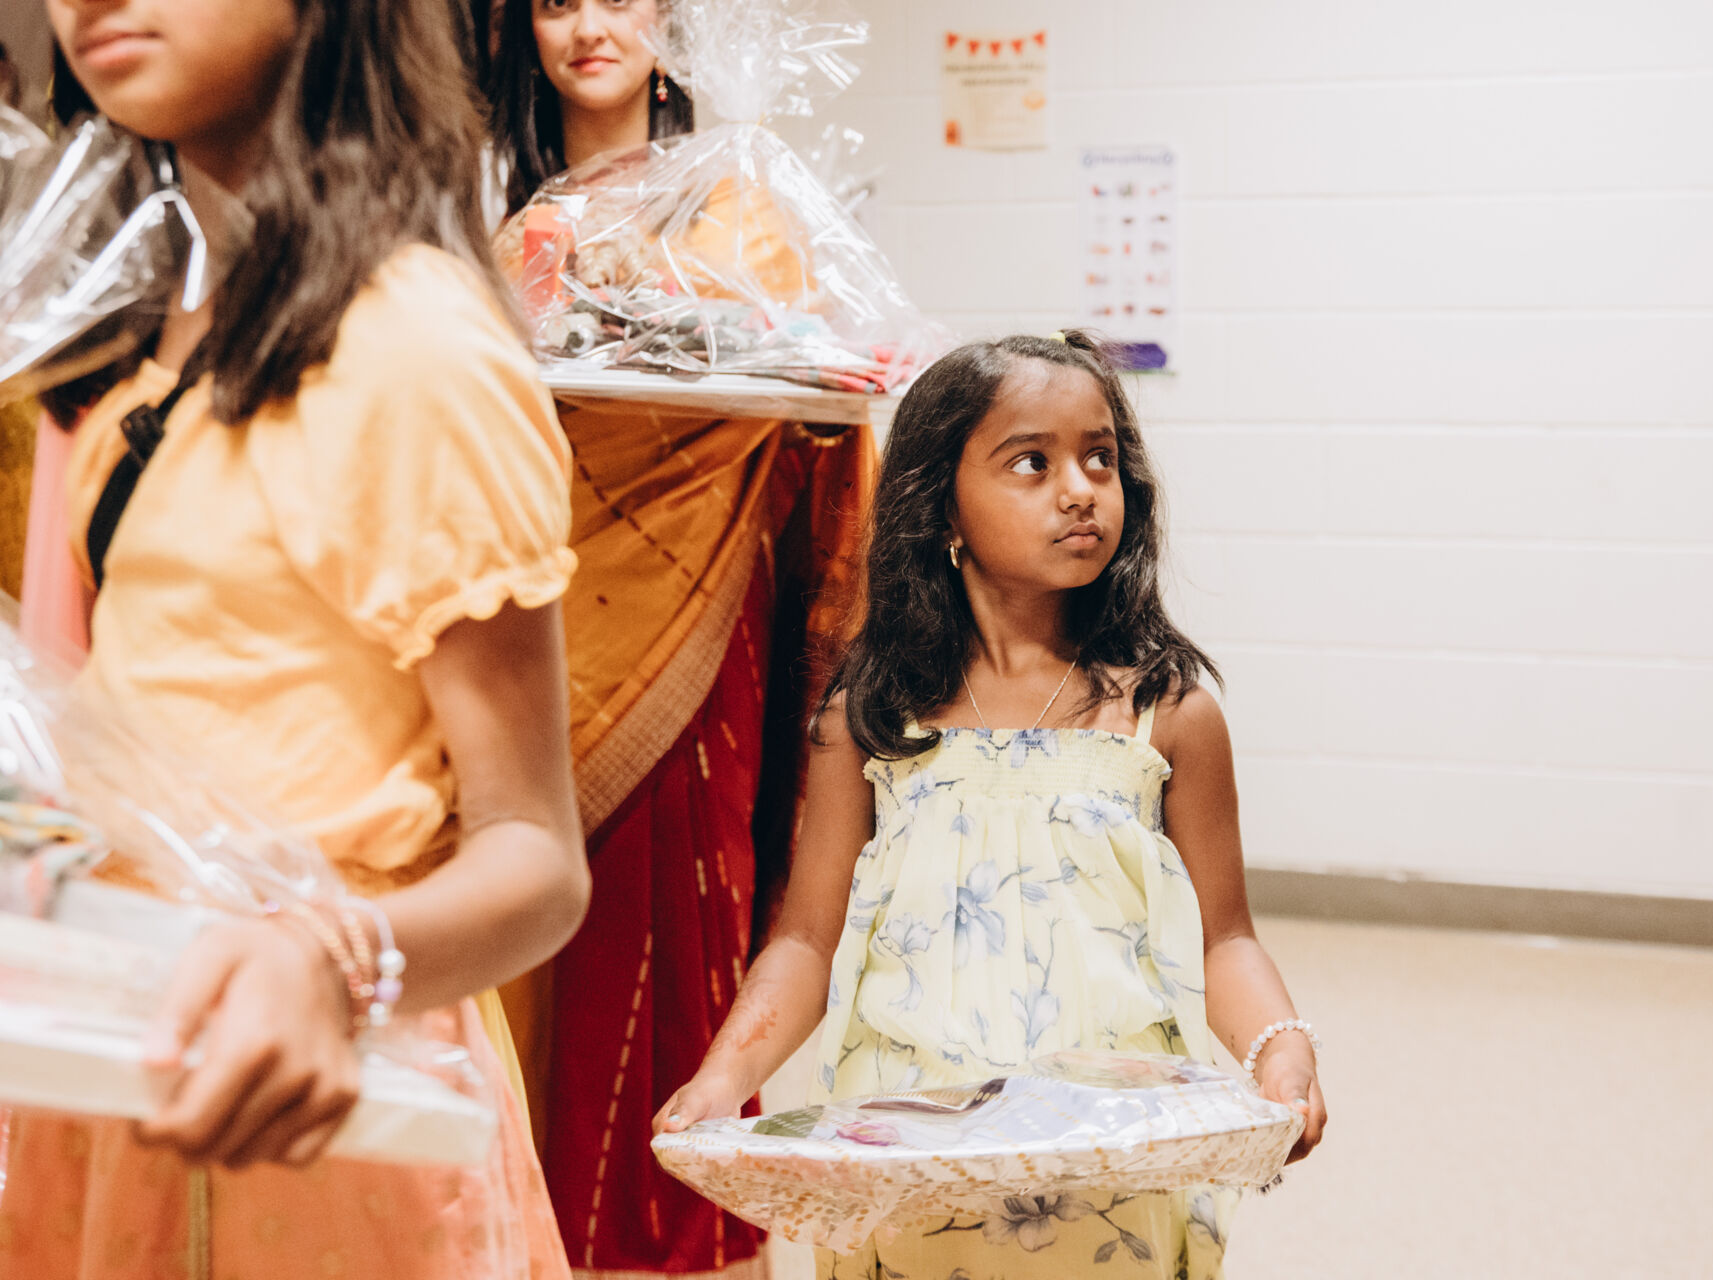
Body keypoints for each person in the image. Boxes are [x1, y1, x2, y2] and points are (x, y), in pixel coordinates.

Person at [4, 1, 587, 1275]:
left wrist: (326, 960)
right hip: (123, 1057)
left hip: (322, 1098)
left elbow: (537, 857)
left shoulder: (413, 342)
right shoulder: (140, 339)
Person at [656, 332, 1330, 1279]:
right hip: (915, 1145)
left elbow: (1227, 940)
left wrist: (1280, 1049)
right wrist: (725, 1078)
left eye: (1101, 458)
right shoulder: (871, 721)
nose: (1080, 490)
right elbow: (805, 941)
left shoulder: (1166, 713)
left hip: (1109, 1151)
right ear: (942, 505)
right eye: (1031, 462)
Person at [485, 2, 876, 1277]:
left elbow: (801, 406)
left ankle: (673, 1239)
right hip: (535, 616)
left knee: (666, 915)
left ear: (670, 22)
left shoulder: (741, 212)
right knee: (521, 923)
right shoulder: (514, 227)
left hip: (696, 623)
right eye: (556, 1)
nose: (588, 26)